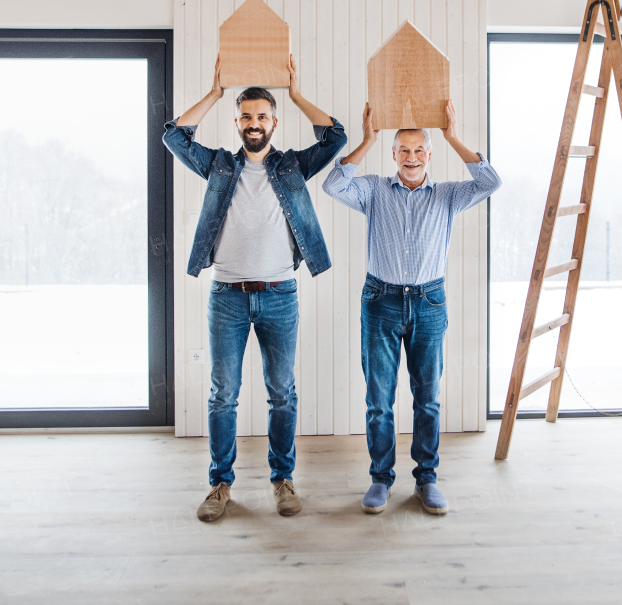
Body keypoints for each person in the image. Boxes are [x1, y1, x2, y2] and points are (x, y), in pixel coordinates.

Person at [163, 55, 346, 523]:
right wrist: (216, 90)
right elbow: (173, 136)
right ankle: (220, 485)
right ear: (238, 122)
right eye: (246, 117)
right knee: (223, 394)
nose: (254, 124)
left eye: (262, 117)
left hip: (280, 295)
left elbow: (336, 137)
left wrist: (296, 90)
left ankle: (282, 479)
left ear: (273, 122)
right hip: (227, 296)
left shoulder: (292, 168)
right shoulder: (220, 167)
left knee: (282, 392)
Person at [322, 99, 500, 516]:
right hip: (380, 301)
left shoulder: (450, 196)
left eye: (420, 150)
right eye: (403, 150)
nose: (412, 157)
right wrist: (367, 139)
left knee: (427, 399)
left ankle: (427, 479)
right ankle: (381, 479)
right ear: (393, 154)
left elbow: (490, 181)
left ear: (430, 154)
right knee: (379, 399)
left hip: (429, 302)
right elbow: (333, 185)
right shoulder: (372, 191)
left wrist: (452, 134)